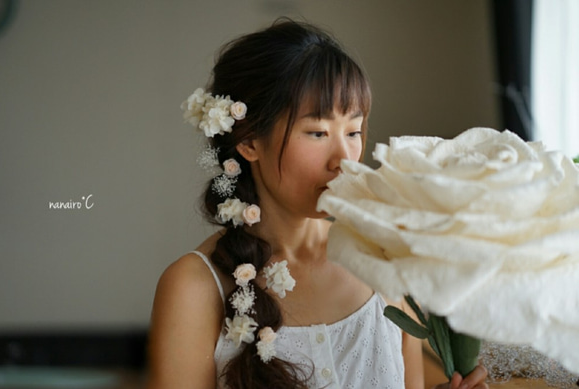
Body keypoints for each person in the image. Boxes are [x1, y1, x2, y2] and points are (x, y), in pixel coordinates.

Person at [147, 19, 489, 389]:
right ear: (248, 142)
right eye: (318, 133)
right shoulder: (194, 288)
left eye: (354, 131)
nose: (344, 159)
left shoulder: (383, 259)